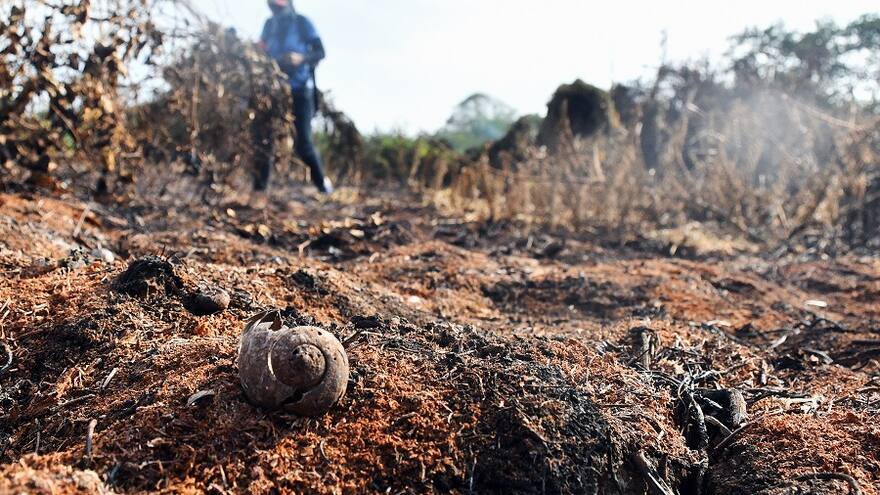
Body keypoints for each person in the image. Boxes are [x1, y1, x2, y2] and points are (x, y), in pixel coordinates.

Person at [255, 0, 333, 194]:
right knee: (264, 139)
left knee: (303, 143)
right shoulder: (269, 25)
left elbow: (320, 52)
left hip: (300, 89)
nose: (276, 10)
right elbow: (260, 50)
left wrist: (300, 59)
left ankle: (323, 186)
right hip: (274, 91)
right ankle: (258, 191)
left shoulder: (302, 23)